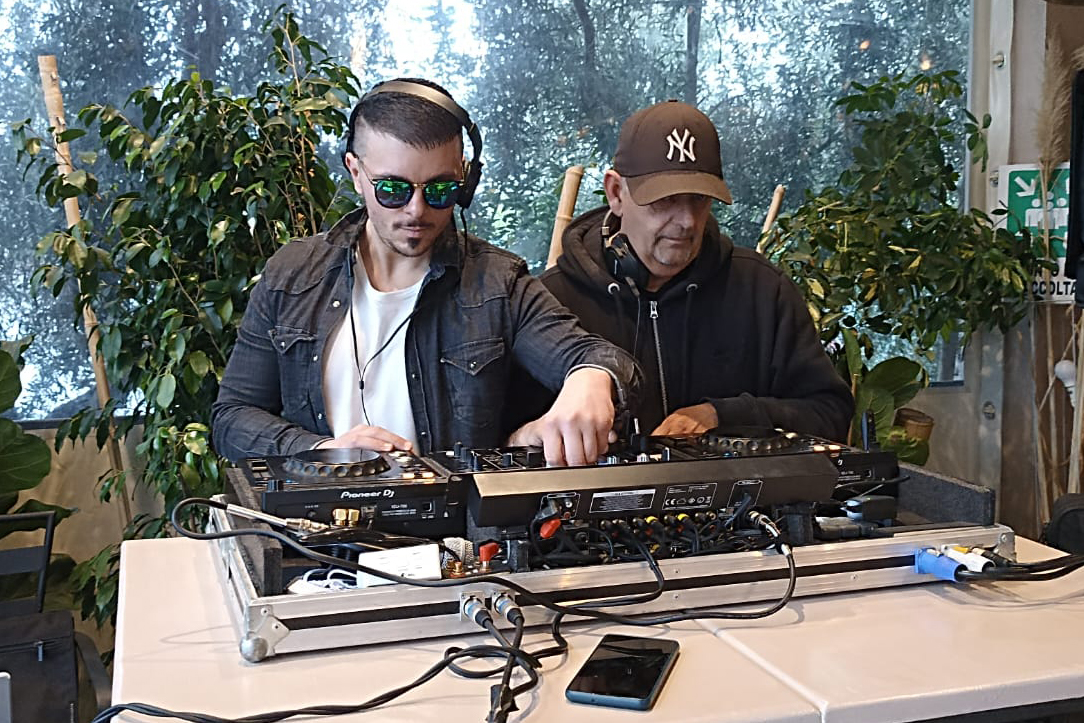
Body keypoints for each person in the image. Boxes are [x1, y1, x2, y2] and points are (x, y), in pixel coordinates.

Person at [212, 78, 638, 466]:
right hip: (318, 522)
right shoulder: (292, 275)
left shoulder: (498, 283)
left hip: (455, 525)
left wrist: (592, 377)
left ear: (464, 181)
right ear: (356, 173)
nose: (416, 211)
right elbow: (231, 418)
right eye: (392, 190)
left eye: (439, 190)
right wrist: (322, 450)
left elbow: (602, 359)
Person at [530, 99, 853, 441]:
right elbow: (512, 438)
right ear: (616, 193)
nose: (687, 221)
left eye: (699, 199)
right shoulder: (552, 304)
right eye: (665, 200)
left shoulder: (763, 291)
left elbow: (830, 413)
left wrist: (723, 416)